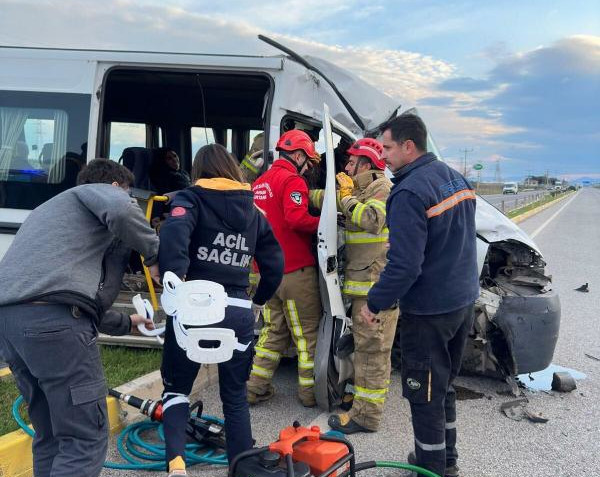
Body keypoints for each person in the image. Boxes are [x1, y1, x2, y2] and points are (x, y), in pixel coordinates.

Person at [0, 158, 160, 477]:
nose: (129, 202)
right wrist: (156, 255)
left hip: (11, 326)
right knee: (84, 438)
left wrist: (127, 323)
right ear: (114, 186)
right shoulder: (99, 193)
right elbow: (120, 209)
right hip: (51, 325)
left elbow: (70, 299)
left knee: (52, 437)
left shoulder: (51, 214)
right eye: (127, 194)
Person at [361, 114, 479, 477]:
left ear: (409, 146)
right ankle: (447, 460)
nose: (383, 156)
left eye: (388, 148)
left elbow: (405, 266)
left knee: (423, 392)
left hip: (430, 310)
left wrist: (374, 302)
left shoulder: (410, 192)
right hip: (462, 301)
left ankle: (431, 468)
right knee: (442, 386)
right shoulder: (454, 178)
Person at [157, 143, 284, 476]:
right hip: (239, 310)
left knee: (176, 389)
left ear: (200, 172)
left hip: (194, 306)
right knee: (235, 395)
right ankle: (242, 468)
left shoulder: (191, 199)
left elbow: (174, 233)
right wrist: (258, 302)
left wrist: (173, 279)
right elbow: (275, 265)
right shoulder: (254, 212)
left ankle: (177, 465)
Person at [310, 138, 399, 435]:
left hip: (375, 290)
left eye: (351, 162)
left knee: (373, 352)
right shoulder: (359, 189)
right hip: (361, 288)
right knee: (361, 349)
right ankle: (360, 400)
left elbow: (372, 219)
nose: (346, 167)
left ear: (366, 164)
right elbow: (327, 199)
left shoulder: (381, 188)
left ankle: (366, 416)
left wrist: (347, 198)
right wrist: (304, 195)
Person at [246, 129, 322, 407]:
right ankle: (310, 394)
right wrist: (326, 223)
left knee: (273, 332)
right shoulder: (293, 181)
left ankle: (254, 388)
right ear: (299, 155)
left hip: (265, 275)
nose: (309, 167)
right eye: (309, 162)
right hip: (294, 271)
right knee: (306, 335)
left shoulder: (260, 183)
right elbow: (296, 219)